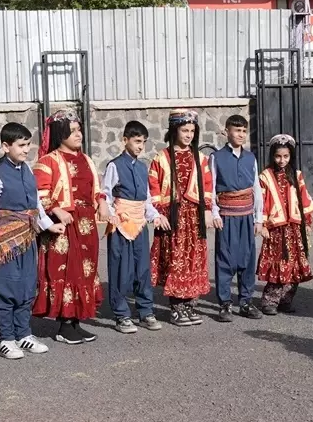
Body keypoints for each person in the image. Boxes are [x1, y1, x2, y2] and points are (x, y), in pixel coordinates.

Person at [0, 122, 62, 360]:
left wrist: (48, 225)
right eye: (21, 145)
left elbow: (35, 203)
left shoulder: (27, 169)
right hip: (7, 242)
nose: (26, 149)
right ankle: (6, 339)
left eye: (28, 144)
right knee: (7, 288)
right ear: (6, 146)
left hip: (29, 237)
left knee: (27, 286)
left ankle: (24, 334)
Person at [33, 111, 110, 344]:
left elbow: (96, 187)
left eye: (79, 129)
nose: (79, 135)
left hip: (85, 225)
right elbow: (38, 194)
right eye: (73, 130)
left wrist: (102, 201)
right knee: (65, 271)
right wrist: (56, 209)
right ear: (60, 133)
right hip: (63, 226)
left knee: (84, 271)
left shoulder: (86, 159)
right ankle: (64, 324)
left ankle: (76, 321)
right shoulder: (47, 162)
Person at [149, 109, 215, 327]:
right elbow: (154, 186)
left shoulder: (202, 159)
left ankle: (190, 305)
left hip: (194, 217)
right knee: (175, 260)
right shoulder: (161, 158)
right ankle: (176, 308)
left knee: (193, 260)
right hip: (173, 217)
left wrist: (207, 210)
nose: (188, 135)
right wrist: (158, 212)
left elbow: (207, 186)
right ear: (174, 130)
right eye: (184, 130)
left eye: (192, 131)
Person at [102, 121, 168, 333]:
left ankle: (145, 311)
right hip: (122, 224)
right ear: (125, 140)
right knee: (122, 269)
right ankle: (121, 314)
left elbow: (146, 198)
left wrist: (154, 215)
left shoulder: (142, 167)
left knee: (142, 269)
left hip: (139, 225)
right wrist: (112, 215)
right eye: (137, 141)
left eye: (144, 142)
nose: (140, 146)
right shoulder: (114, 165)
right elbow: (106, 194)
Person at [210, 114, 266, 323]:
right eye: (236, 130)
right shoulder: (216, 158)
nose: (240, 134)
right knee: (225, 258)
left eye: (243, 131)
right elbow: (211, 187)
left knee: (247, 258)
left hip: (246, 216)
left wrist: (258, 218)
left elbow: (256, 189)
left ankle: (245, 301)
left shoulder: (250, 158)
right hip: (226, 216)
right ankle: (225, 303)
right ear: (227, 131)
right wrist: (214, 212)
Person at [257, 134, 313, 314]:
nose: (282, 160)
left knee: (295, 264)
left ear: (291, 156)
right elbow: (262, 202)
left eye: (286, 156)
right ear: (272, 156)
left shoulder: (296, 176)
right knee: (277, 263)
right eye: (278, 156)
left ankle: (286, 300)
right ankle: (270, 301)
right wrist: (263, 225)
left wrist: (307, 222)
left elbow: (304, 200)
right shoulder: (265, 176)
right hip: (276, 229)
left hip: (294, 228)